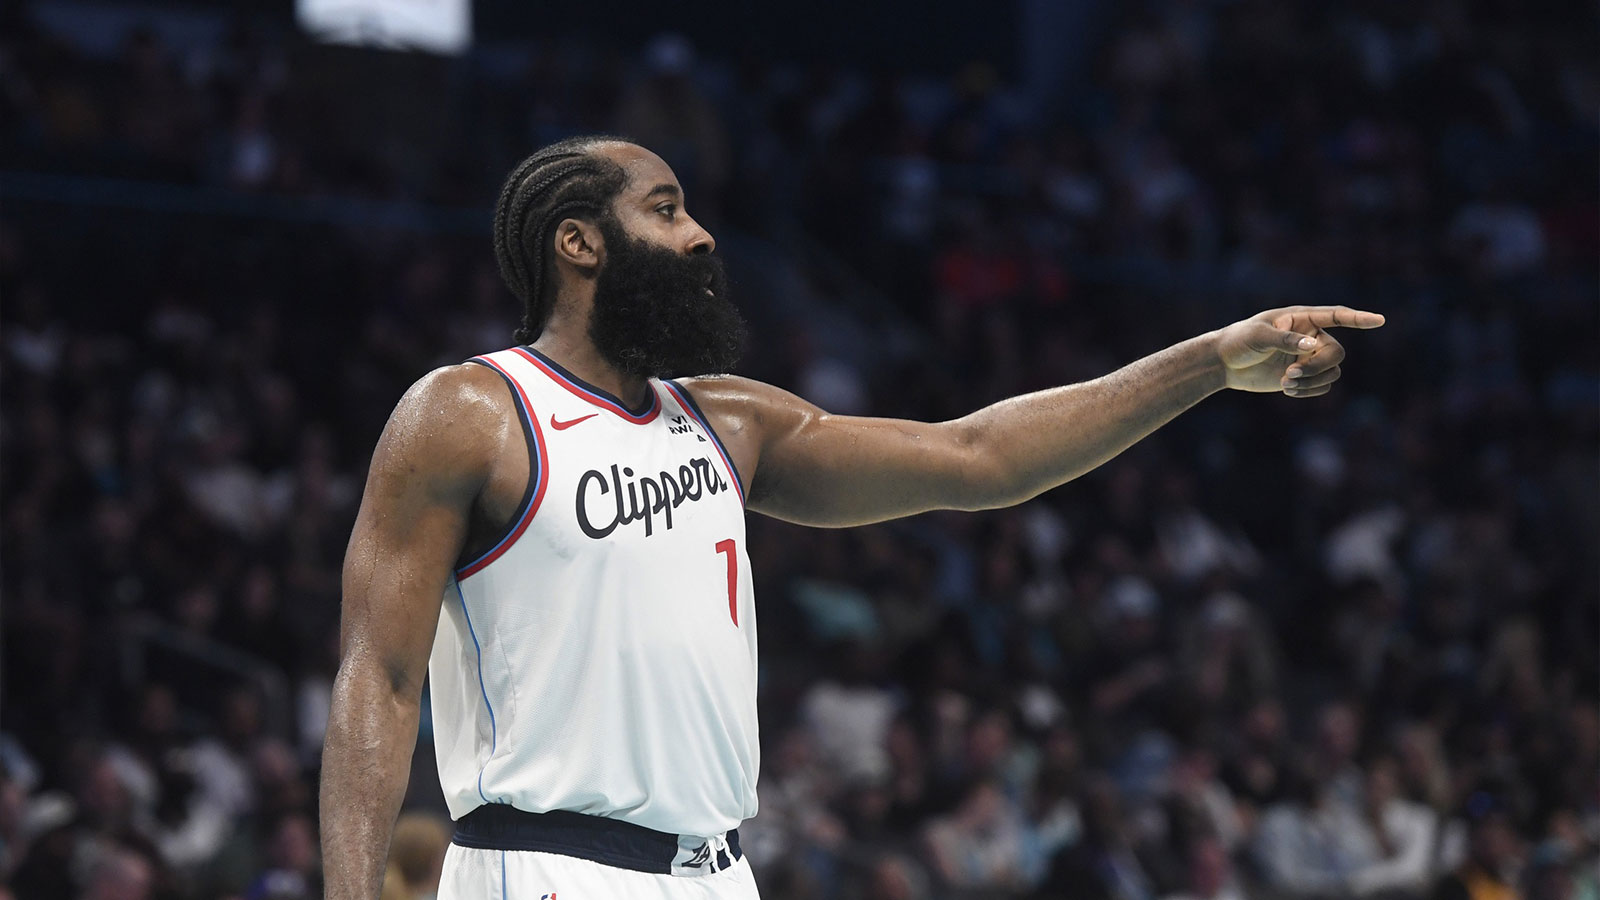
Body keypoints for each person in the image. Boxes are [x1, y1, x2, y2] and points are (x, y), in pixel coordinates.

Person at [319, 134, 1384, 899]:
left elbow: (980, 456)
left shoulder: (729, 423)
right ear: (578, 244)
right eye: (664, 206)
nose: (699, 236)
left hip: (721, 871)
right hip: (544, 867)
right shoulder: (470, 412)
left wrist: (1206, 363)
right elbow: (379, 677)